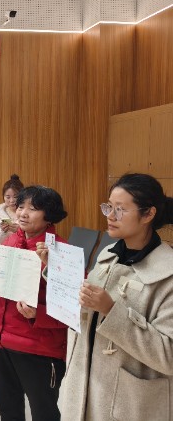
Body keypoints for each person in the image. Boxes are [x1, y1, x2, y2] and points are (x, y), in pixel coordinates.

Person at [52, 174, 173, 421]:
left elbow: (168, 356)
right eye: (108, 207)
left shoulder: (167, 274)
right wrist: (57, 273)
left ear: (148, 214)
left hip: (128, 401)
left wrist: (111, 310)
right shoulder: (109, 254)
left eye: (120, 209)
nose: (110, 215)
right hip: (83, 385)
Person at [0, 185, 69, 421]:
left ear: (49, 216)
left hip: (38, 347)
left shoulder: (62, 252)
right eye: (21, 206)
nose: (23, 213)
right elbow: (2, 287)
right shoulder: (9, 243)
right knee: (7, 406)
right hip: (2, 339)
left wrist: (38, 314)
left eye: (33, 209)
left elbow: (72, 309)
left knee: (43, 411)